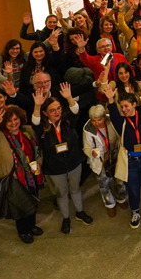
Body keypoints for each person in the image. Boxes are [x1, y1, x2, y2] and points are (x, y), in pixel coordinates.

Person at [104, 78, 141, 229]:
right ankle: (135, 212)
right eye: (121, 107)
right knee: (133, 188)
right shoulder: (121, 122)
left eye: (126, 106)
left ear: (134, 105)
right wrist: (111, 100)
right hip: (130, 161)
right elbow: (113, 115)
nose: (123, 109)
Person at [32, 85, 93, 234]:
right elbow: (34, 121)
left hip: (73, 163)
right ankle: (66, 218)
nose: (57, 112)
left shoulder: (67, 122)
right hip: (54, 169)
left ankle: (79, 212)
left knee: (75, 189)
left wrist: (69, 98)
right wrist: (37, 105)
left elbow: (75, 110)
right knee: (61, 193)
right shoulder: (42, 129)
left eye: (58, 108)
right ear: (45, 113)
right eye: (52, 110)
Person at [0, 105, 43, 243]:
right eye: (9, 121)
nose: (13, 123)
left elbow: (37, 149)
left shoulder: (27, 131)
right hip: (13, 178)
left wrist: (38, 163)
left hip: (31, 175)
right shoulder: (0, 136)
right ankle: (23, 231)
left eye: (15, 119)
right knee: (20, 207)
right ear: (4, 123)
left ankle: (31, 225)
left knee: (33, 200)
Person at [82, 103, 127, 216]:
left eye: (99, 120)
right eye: (93, 120)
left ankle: (121, 198)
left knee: (120, 180)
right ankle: (109, 204)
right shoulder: (88, 130)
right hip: (100, 161)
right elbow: (86, 148)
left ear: (105, 117)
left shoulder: (112, 123)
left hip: (116, 157)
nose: (96, 123)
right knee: (104, 184)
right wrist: (91, 152)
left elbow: (120, 136)